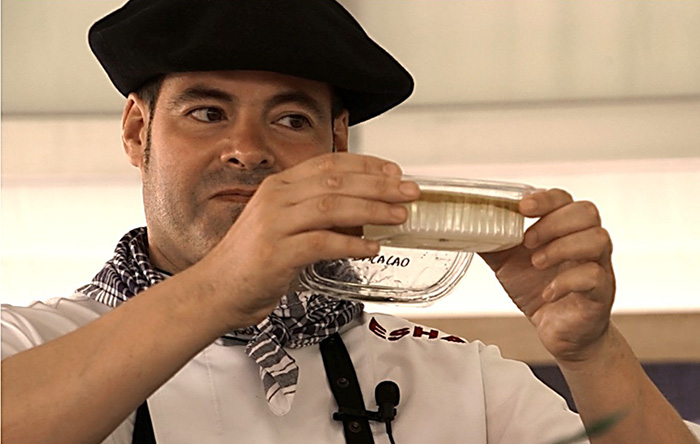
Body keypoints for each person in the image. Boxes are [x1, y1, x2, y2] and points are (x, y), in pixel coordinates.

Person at [1, 1, 698, 443]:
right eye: (207, 113)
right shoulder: (29, 344)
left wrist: (591, 349)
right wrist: (225, 286)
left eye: (292, 117)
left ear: (338, 146)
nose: (249, 147)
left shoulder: (457, 382)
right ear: (136, 131)